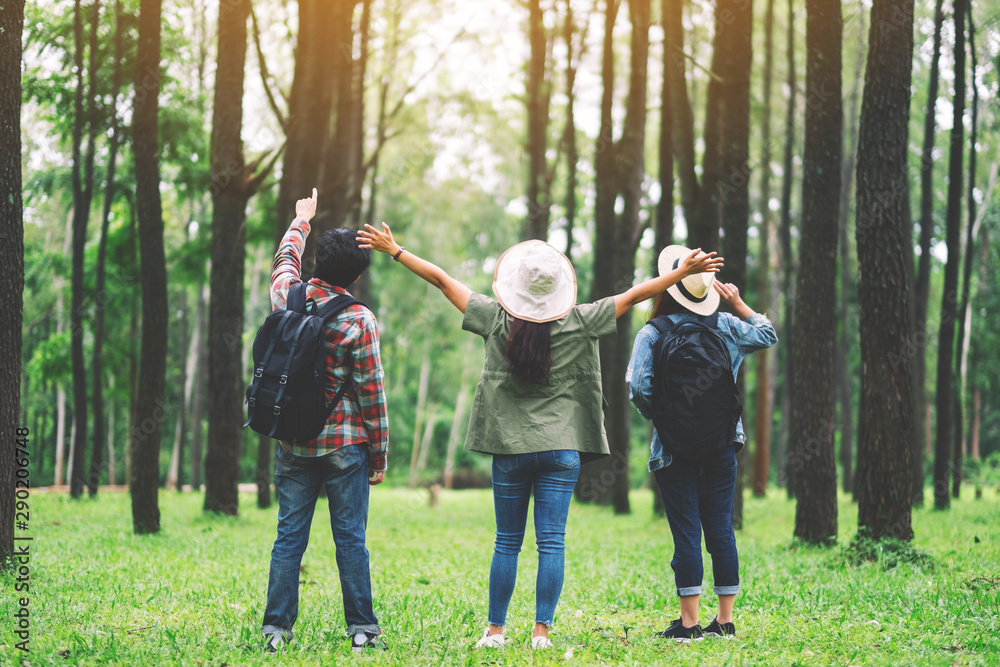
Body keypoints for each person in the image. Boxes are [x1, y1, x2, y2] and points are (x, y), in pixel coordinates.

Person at [357, 223, 723, 650]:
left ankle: (495, 632)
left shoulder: (495, 319)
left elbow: (442, 280)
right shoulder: (584, 320)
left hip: (510, 450)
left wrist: (396, 250)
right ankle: (541, 634)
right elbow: (638, 294)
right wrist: (681, 274)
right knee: (552, 543)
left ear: (515, 288)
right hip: (561, 451)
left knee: (506, 543)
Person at [626, 244, 777, 643]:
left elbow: (636, 387)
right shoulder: (725, 326)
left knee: (687, 533)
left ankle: (689, 625)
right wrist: (741, 304)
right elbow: (767, 334)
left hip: (673, 447)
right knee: (721, 531)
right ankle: (724, 622)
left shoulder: (653, 332)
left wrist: (665, 420)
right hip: (723, 443)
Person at [261, 189, 387, 654]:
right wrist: (379, 456)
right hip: (345, 448)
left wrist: (301, 220)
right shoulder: (360, 319)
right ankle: (361, 630)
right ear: (356, 275)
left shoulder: (286, 297)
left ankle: (276, 630)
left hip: (294, 441)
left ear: (317, 263)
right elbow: (372, 396)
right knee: (351, 538)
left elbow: (283, 262)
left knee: (288, 537)